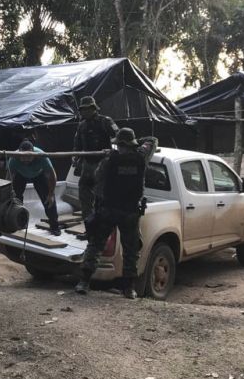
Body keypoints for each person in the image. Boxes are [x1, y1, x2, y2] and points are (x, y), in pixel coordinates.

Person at [74, 128, 158, 299]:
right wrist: (136, 144)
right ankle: (128, 289)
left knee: (96, 245)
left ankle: (84, 282)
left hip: (108, 210)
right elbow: (153, 140)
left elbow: (97, 179)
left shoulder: (109, 159)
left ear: (118, 144)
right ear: (132, 143)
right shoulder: (141, 156)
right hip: (130, 212)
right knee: (131, 251)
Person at [72, 96, 119, 225]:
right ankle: (89, 223)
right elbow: (77, 144)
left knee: (102, 195)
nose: (84, 112)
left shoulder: (105, 121)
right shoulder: (81, 125)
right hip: (87, 164)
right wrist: (75, 157)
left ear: (94, 108)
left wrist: (111, 148)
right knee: (84, 192)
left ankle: (102, 223)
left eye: (87, 109)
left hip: (102, 164)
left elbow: (118, 136)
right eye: (83, 110)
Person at [8, 139, 61, 236]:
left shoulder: (42, 156)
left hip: (38, 175)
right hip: (21, 175)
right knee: (15, 199)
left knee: (48, 199)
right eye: (23, 157)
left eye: (29, 157)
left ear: (33, 154)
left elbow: (52, 176)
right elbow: (9, 177)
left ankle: (55, 226)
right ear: (19, 154)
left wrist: (50, 194)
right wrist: (9, 192)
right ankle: (17, 222)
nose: (26, 160)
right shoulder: (14, 158)